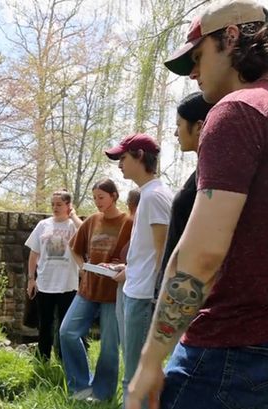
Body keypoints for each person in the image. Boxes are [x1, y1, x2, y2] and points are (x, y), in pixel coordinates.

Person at [127, 1, 268, 409]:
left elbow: (202, 255)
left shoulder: (235, 112)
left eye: (198, 57)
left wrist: (149, 359)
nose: (194, 73)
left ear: (230, 38)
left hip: (227, 351)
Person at [105, 133, 173, 408]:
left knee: (136, 377)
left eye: (122, 158)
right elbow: (147, 251)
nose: (119, 164)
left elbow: (163, 252)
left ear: (140, 156)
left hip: (143, 297)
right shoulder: (148, 195)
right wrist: (129, 267)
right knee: (132, 374)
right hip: (134, 289)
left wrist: (158, 298)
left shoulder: (155, 196)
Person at [59, 178, 133, 402]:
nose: (98, 202)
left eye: (101, 197)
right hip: (88, 289)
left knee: (110, 346)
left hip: (113, 293)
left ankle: (102, 393)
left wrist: (125, 269)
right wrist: (83, 268)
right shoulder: (91, 221)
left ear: (114, 196)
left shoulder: (128, 223)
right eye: (95, 198)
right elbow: (75, 248)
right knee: (67, 332)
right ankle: (80, 387)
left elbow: (137, 256)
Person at [158, 92, 214, 279]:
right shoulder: (201, 172)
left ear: (199, 127)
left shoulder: (212, 177)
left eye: (178, 125)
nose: (175, 133)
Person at [25, 190, 83, 361]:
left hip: (68, 284)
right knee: (45, 325)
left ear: (68, 205)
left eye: (59, 204)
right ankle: (42, 359)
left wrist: (73, 216)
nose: (55, 208)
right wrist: (31, 279)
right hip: (45, 283)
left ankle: (64, 360)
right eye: (53, 204)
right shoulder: (43, 225)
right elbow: (34, 253)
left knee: (65, 326)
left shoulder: (73, 226)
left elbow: (87, 233)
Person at [115, 189, 141, 348]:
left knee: (132, 342)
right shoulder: (135, 226)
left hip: (136, 289)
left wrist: (129, 271)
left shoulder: (147, 224)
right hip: (127, 282)